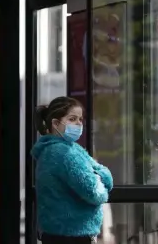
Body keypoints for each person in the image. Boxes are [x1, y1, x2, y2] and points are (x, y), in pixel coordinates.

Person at [31, 96, 113, 244]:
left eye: (80, 119)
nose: (78, 124)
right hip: (73, 236)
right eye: (72, 119)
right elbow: (94, 192)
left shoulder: (51, 150)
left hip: (56, 234)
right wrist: (102, 177)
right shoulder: (65, 153)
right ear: (55, 123)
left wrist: (98, 174)